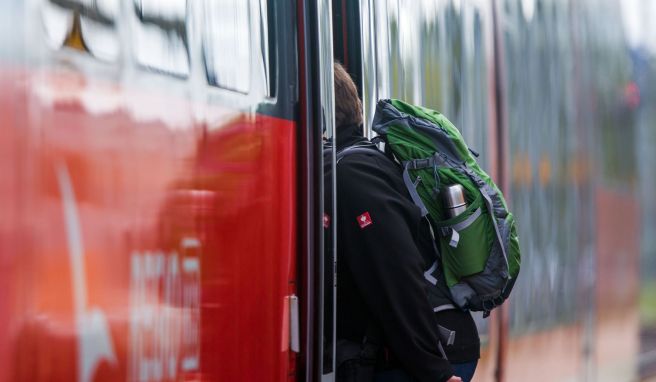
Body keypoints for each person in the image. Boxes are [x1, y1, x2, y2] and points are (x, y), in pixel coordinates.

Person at [330, 62, 480, 382]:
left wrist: (434, 371)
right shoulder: (357, 162)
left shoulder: (352, 175)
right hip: (420, 350)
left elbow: (395, 270)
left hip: (431, 352)